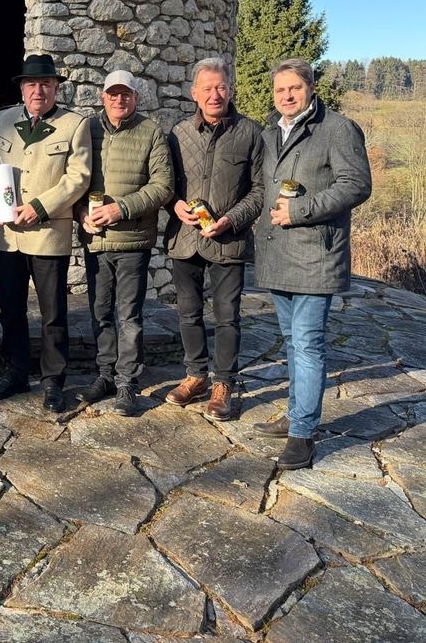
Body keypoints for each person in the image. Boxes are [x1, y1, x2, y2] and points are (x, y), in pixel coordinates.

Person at [252, 58, 371, 469]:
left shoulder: (338, 129)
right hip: (279, 254)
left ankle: (303, 433)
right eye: (280, 89)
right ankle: (295, 413)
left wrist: (300, 209)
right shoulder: (271, 133)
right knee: (292, 343)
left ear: (311, 88)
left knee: (307, 345)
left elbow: (356, 185)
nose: (287, 96)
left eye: (295, 89)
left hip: (316, 255)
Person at [0, 53, 92, 413]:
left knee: (52, 314)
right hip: (8, 235)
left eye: (45, 84)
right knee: (10, 310)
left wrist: (41, 207)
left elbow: (77, 177)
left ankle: (53, 381)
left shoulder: (74, 124)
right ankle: (14, 372)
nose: (38, 90)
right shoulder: (2, 119)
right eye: (31, 84)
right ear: (22, 88)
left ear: (56, 87)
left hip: (47, 232)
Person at [164, 57, 264, 421]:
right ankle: (195, 376)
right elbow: (165, 185)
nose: (214, 94)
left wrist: (230, 220)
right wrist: (175, 206)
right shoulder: (177, 134)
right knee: (188, 314)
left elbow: (260, 190)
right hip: (185, 239)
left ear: (231, 89)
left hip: (228, 240)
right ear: (194, 93)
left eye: (220, 87)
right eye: (206, 88)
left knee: (227, 316)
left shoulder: (250, 133)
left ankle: (223, 383)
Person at [75, 71, 174, 416]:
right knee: (100, 312)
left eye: (126, 94)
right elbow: (73, 180)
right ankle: (104, 375)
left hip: (132, 240)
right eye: (113, 94)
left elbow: (163, 186)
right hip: (96, 240)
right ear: (103, 97)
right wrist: (79, 214)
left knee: (128, 315)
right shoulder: (86, 129)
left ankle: (127, 382)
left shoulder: (151, 132)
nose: (120, 100)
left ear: (136, 97)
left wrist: (121, 209)